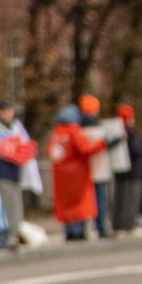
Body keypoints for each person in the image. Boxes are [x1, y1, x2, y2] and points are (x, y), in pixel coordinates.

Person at [47, 103, 103, 240]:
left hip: (61, 176)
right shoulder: (75, 131)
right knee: (80, 204)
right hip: (77, 175)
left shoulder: (56, 133)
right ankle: (79, 231)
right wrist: (102, 143)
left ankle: (69, 231)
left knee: (65, 205)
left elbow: (51, 151)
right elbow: (85, 149)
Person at [0, 102, 33, 248]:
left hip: (15, 172)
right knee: (6, 206)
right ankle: (7, 237)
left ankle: (15, 234)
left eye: (10, 111)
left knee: (15, 205)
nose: (8, 114)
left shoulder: (16, 127)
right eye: (5, 111)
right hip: (2, 172)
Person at [84, 93, 117, 238]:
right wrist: (115, 141)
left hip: (84, 171)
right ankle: (101, 227)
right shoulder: (96, 128)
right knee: (100, 200)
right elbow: (101, 146)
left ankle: (85, 227)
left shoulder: (79, 127)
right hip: (98, 170)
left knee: (87, 201)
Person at [108, 103, 141, 235]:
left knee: (120, 200)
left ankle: (118, 224)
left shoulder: (117, 132)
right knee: (129, 200)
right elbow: (136, 150)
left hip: (121, 172)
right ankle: (129, 225)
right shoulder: (128, 134)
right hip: (131, 172)